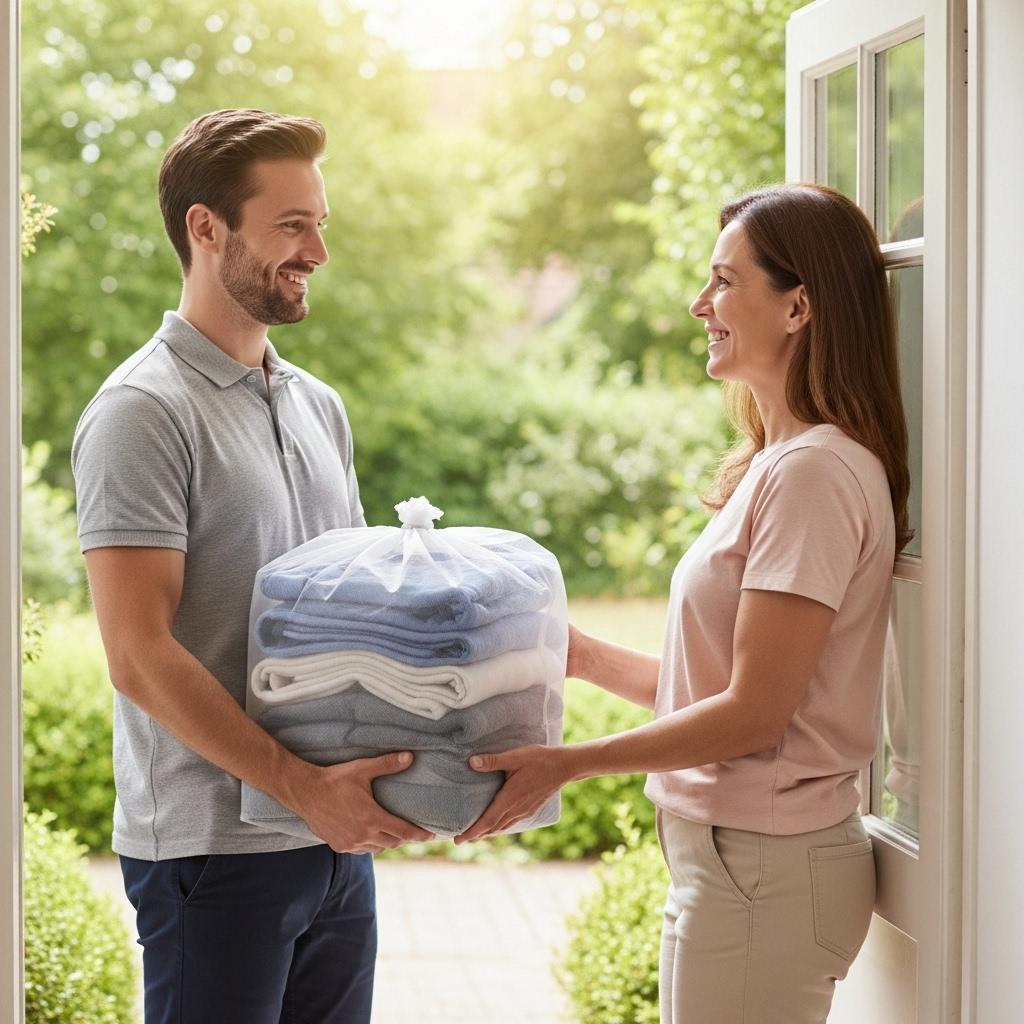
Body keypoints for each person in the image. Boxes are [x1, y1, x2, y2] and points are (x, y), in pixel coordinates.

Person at [457, 182, 911, 1024]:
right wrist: (587, 659)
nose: (700, 303)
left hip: (765, 874)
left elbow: (754, 717)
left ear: (799, 306)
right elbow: (734, 683)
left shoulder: (813, 473)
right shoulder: (777, 463)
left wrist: (568, 764)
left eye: (725, 282)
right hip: (739, 869)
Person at [72, 108, 432, 1024]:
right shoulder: (142, 413)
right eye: (291, 225)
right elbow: (138, 653)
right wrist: (303, 788)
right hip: (212, 851)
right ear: (206, 227)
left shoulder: (318, 405)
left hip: (333, 840)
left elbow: (352, 608)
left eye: (320, 224)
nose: (316, 250)